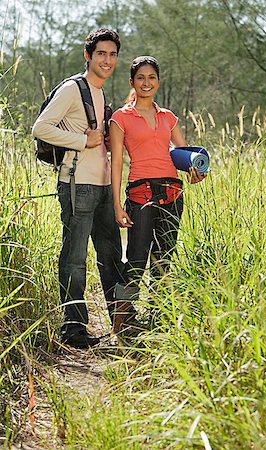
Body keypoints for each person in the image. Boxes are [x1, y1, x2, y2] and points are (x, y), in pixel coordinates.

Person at [32, 29, 125, 349]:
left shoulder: (100, 93)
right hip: (76, 184)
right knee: (74, 259)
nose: (107, 60)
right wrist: (81, 141)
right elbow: (40, 127)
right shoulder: (74, 89)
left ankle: (122, 321)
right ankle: (73, 330)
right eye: (101, 54)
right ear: (88, 56)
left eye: (112, 55)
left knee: (112, 256)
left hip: (101, 186)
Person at [110, 56, 206, 334]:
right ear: (132, 82)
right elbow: (117, 162)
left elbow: (186, 155)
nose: (146, 82)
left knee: (164, 259)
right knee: (137, 258)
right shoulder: (120, 118)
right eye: (141, 77)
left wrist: (197, 172)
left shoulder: (168, 117)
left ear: (158, 82)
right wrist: (117, 205)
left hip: (172, 192)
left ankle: (158, 320)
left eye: (151, 77)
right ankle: (121, 325)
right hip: (140, 193)